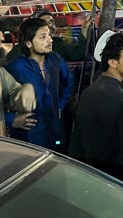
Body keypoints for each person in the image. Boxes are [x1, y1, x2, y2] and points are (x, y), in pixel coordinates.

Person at [70, 31, 123, 186]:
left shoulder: (88, 92)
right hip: (113, 182)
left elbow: (77, 142)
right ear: (112, 62)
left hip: (88, 176)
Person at [5, 18, 74, 152]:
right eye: (43, 37)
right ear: (29, 43)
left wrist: (60, 105)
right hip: (29, 138)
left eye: (49, 35)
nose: (50, 40)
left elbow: (69, 80)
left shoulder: (55, 60)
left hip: (55, 133)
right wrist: (12, 119)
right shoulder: (15, 68)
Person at [6, 10, 92, 63]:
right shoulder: (19, 50)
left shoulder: (58, 44)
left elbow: (79, 53)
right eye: (44, 23)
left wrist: (84, 29)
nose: (48, 26)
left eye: (51, 22)